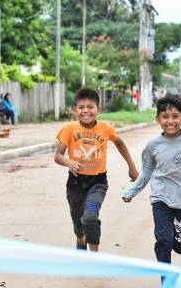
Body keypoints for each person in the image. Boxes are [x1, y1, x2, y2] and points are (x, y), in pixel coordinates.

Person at [122, 95, 181, 268]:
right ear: (157, 119)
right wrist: (132, 191)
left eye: (175, 116)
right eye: (165, 117)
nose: (170, 121)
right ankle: (166, 276)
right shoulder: (153, 144)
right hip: (161, 196)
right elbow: (147, 169)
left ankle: (176, 241)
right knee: (163, 240)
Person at [54, 88, 139, 252]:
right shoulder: (69, 129)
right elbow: (58, 155)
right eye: (81, 107)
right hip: (75, 183)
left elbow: (120, 143)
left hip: (97, 182)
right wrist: (68, 162)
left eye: (90, 107)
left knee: (90, 218)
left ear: (99, 109)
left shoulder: (105, 128)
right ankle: (80, 239)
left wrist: (132, 167)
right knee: (77, 221)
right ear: (75, 110)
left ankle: (94, 256)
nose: (86, 111)